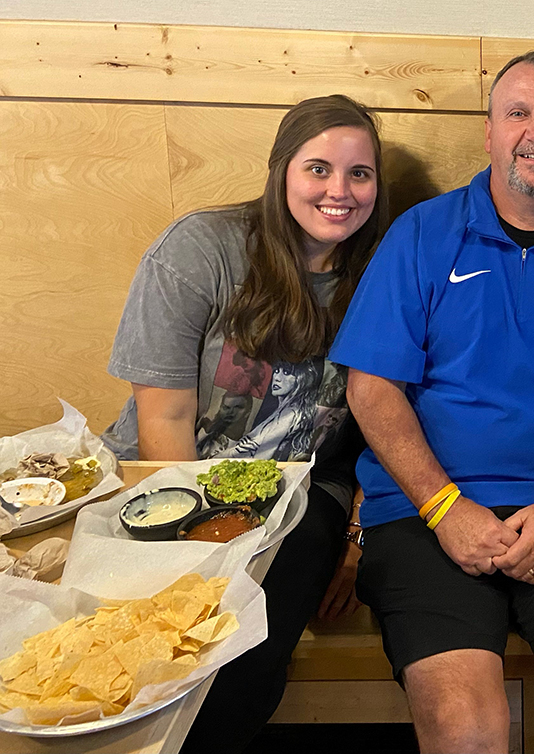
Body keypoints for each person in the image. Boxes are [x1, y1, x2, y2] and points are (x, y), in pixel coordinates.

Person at [330, 51, 534, 753]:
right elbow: (370, 387)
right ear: (489, 131)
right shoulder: (420, 235)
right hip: (425, 514)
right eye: (519, 114)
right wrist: (445, 507)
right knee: (464, 724)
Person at [100, 94, 389, 753]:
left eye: (359, 174)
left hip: (300, 497)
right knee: (156, 644)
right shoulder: (202, 248)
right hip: (167, 484)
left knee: (250, 652)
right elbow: (165, 418)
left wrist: (356, 537)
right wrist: (199, 544)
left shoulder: (384, 271)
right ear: (282, 170)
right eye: (318, 169)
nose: (338, 191)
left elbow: (393, 420)